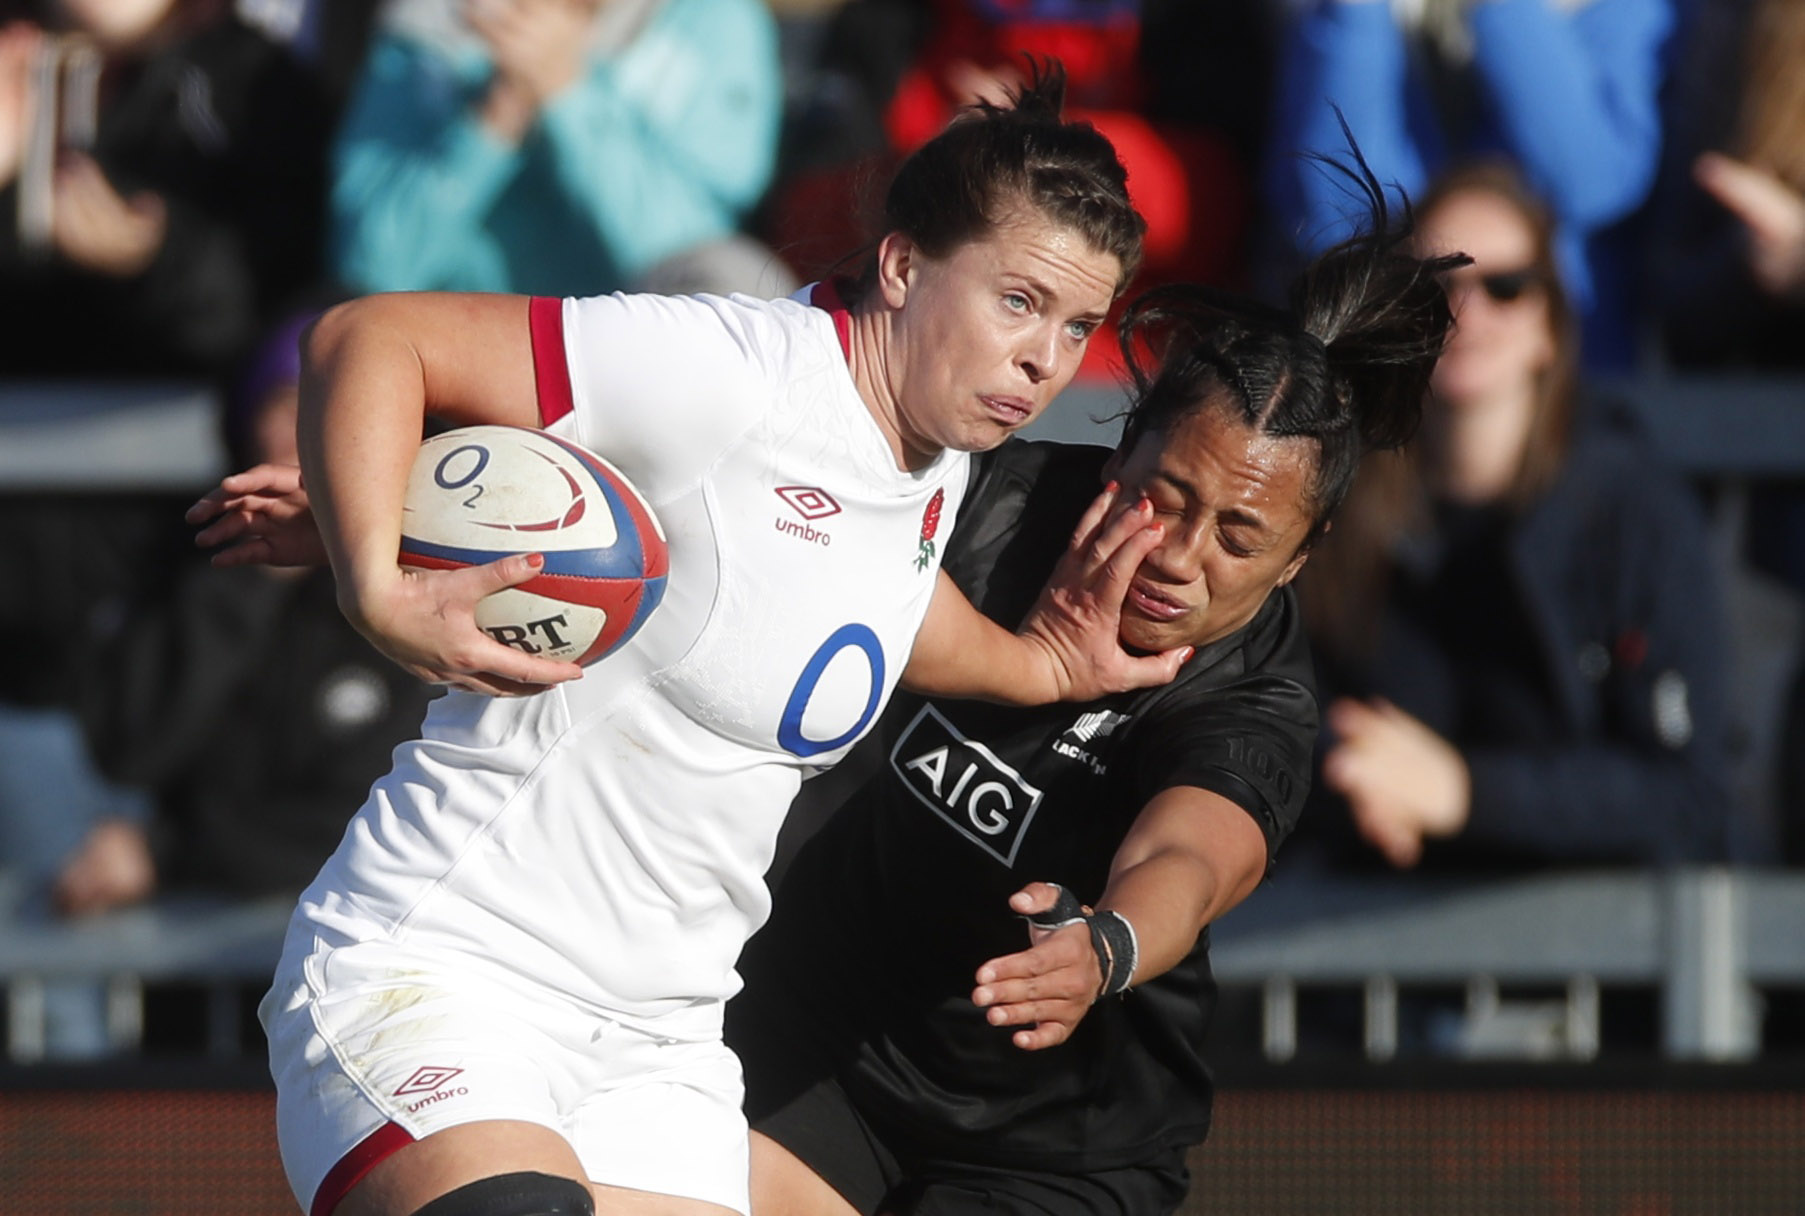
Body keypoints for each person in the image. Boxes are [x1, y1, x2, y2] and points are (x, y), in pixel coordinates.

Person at [187, 68, 1183, 1216]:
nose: (1045, 359)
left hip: (658, 1042)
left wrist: (1045, 667)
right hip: (446, 967)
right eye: (1017, 301)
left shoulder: (932, 458)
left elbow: (856, 611)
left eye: (1075, 325)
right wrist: (372, 578)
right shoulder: (729, 366)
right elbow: (370, 338)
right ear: (903, 266)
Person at [726, 157, 1462, 1216]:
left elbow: (1191, 855)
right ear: (1118, 451)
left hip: (1053, 1154)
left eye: (1240, 537)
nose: (1179, 554)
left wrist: (1105, 943)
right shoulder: (988, 509)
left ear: (1298, 558)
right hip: (822, 1047)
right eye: (1164, 497)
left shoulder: (1254, 696)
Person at [1292, 161, 1743, 876]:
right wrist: (1350, 771)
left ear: (1550, 327)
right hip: (1373, 948)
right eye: (1432, 287)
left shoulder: (1632, 507)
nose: (1464, 313)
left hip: (1597, 960)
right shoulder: (1335, 504)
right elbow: (1274, 720)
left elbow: (1686, 789)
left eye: (1504, 286)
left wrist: (1462, 793)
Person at [1263, 0, 1673, 369]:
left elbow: (1591, 182)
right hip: (1382, 377)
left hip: (1570, 380)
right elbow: (1337, 215)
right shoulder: (1334, 17)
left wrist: (1502, 11)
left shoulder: (1621, 10)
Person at [329, 0, 786, 301]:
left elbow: (691, 250)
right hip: (467, 362)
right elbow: (376, 268)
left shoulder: (716, 20)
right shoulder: (430, 30)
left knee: (745, 281)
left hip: (633, 358)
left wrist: (566, 90)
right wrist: (500, 112)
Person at [0, 0, 331, 377]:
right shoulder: (17, 52)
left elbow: (273, 308)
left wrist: (152, 253)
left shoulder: (256, 83)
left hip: (162, 407)